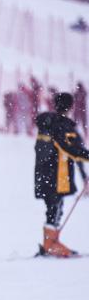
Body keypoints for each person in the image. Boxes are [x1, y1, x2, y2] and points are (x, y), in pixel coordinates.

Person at [35, 92, 89, 257]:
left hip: (43, 173)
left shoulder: (46, 123)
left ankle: (50, 242)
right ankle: (50, 244)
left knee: (52, 207)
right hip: (58, 174)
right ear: (70, 106)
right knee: (55, 207)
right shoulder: (63, 126)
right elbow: (70, 149)